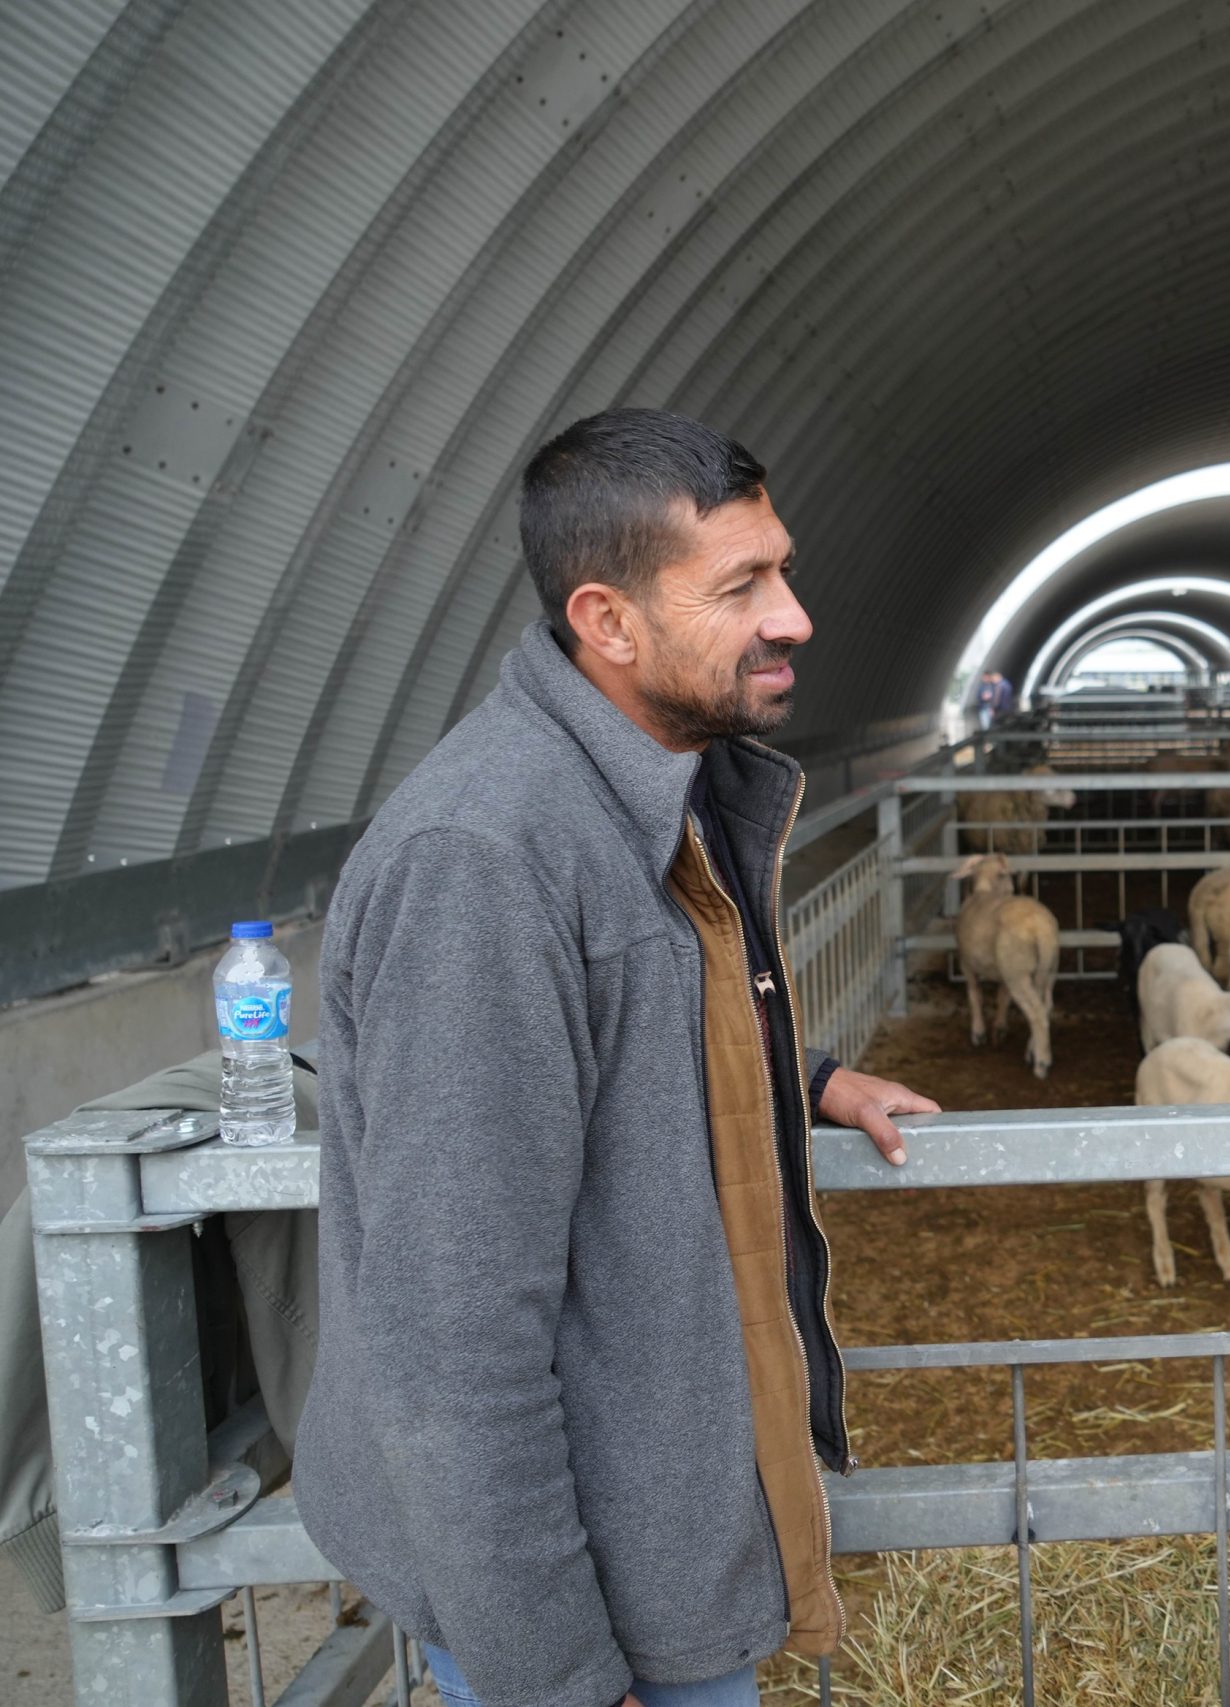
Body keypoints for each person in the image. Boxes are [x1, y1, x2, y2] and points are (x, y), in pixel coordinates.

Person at [296, 408, 939, 1707]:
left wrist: (802, 1076)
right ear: (608, 620)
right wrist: (559, 1675)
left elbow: (628, 1020)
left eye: (787, 569)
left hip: (655, 1549)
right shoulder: (487, 861)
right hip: (582, 1610)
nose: (796, 617)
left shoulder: (637, 789)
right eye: (743, 584)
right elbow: (452, 1342)